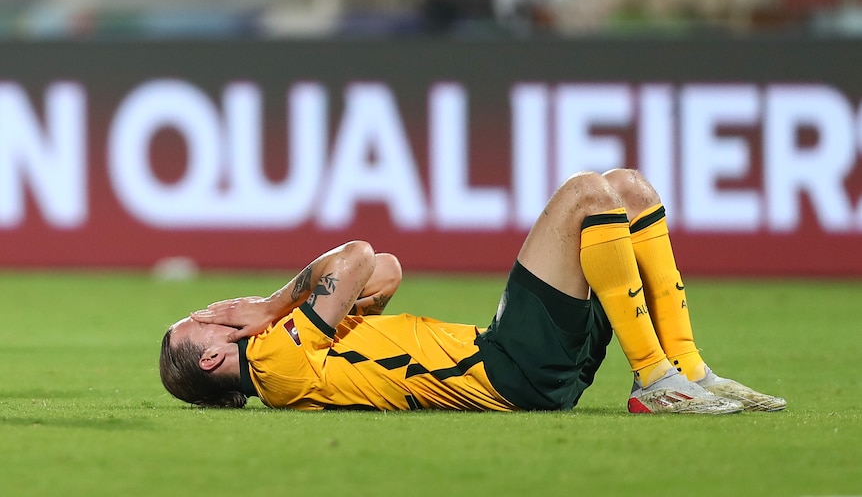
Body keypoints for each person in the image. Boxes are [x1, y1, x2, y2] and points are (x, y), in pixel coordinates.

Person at [160, 168, 786, 414]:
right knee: (586, 197)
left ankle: (686, 370)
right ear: (215, 358)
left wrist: (290, 304)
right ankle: (654, 381)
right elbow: (351, 257)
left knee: (628, 190)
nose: (218, 307)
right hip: (507, 368)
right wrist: (274, 303)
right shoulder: (277, 361)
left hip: (525, 366)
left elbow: (384, 269)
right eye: (204, 319)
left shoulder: (312, 348)